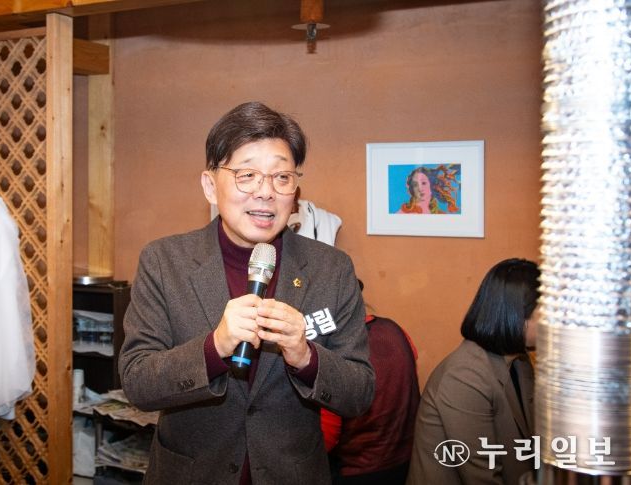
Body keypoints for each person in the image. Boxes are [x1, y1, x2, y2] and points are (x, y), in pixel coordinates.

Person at [119, 101, 375, 485]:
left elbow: (359, 394)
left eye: (281, 177)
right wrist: (215, 347)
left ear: (295, 189)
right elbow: (138, 383)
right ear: (210, 185)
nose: (265, 192)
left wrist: (305, 355)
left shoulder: (331, 269)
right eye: (247, 175)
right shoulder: (164, 261)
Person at [406, 258, 539, 485]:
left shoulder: (520, 363)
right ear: (516, 316)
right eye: (547, 316)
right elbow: (482, 477)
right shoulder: (464, 376)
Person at [324, 280, 421, 485]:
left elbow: (327, 437)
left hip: (356, 472)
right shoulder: (395, 330)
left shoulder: (336, 352)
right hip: (406, 463)